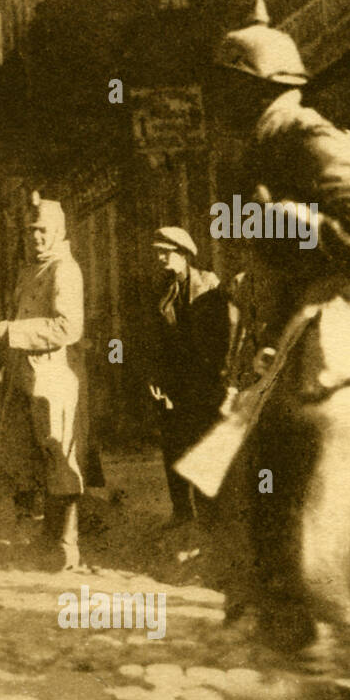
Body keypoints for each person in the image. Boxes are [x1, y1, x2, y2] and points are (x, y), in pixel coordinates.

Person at [203, 0, 350, 700]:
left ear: (256, 88)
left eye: (225, 88)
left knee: (325, 484)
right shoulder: (264, 146)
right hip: (308, 341)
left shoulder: (307, 137)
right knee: (325, 489)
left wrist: (288, 223)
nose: (215, 102)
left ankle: (317, 647)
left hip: (345, 340)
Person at [0, 195, 87, 570]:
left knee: (59, 454)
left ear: (58, 231)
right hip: (24, 374)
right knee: (32, 458)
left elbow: (68, 327)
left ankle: (66, 544)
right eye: (30, 232)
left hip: (54, 374)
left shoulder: (64, 269)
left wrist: (10, 331)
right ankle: (47, 537)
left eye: (43, 231)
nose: (36, 238)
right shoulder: (31, 270)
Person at [146, 226, 230, 528]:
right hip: (173, 381)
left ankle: (210, 515)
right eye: (157, 252)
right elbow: (155, 340)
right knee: (173, 444)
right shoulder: (162, 290)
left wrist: (219, 377)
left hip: (204, 381)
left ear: (183, 254)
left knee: (204, 445)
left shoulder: (209, 284)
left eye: (165, 252)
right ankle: (181, 511)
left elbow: (223, 335)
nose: (160, 257)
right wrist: (155, 377)